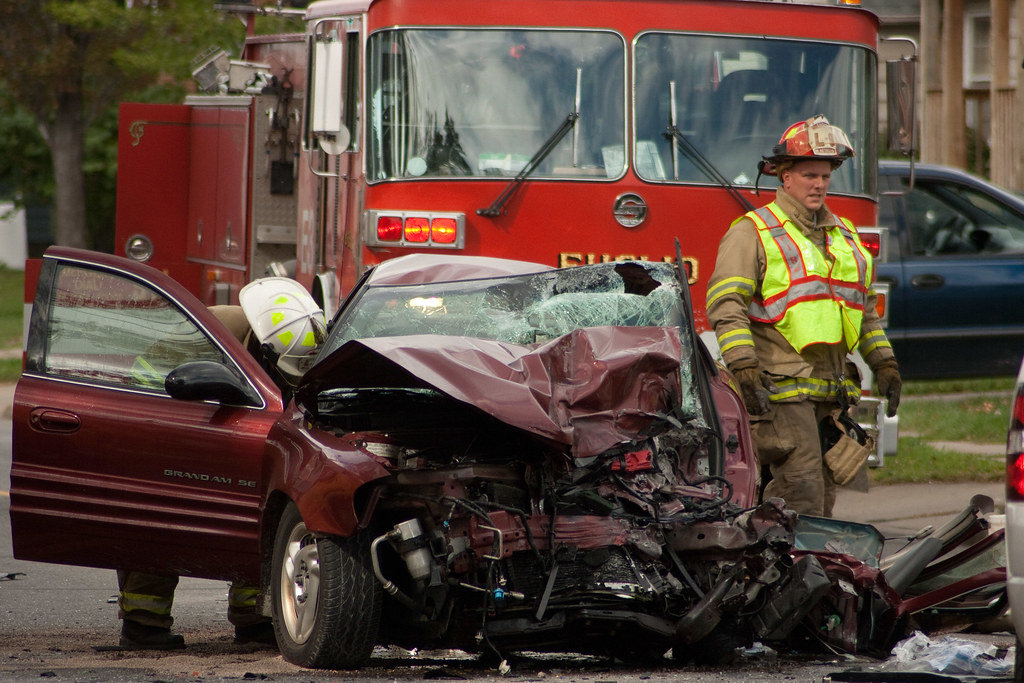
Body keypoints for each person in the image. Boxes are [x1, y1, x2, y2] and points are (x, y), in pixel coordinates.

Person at [705, 114, 902, 518]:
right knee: (802, 492)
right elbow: (726, 305)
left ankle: (806, 559)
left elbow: (863, 310)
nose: (819, 184)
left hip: (830, 394)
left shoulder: (843, 236)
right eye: (810, 175)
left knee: (823, 498)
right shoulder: (752, 232)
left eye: (825, 176)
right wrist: (743, 367)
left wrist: (885, 364)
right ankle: (787, 560)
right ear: (785, 177)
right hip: (779, 393)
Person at [118, 282, 326, 650]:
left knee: (258, 516)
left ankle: (253, 619)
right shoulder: (210, 333)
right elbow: (149, 380)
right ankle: (143, 624)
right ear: (263, 347)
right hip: (170, 430)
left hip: (235, 437)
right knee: (164, 521)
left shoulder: (296, 341)